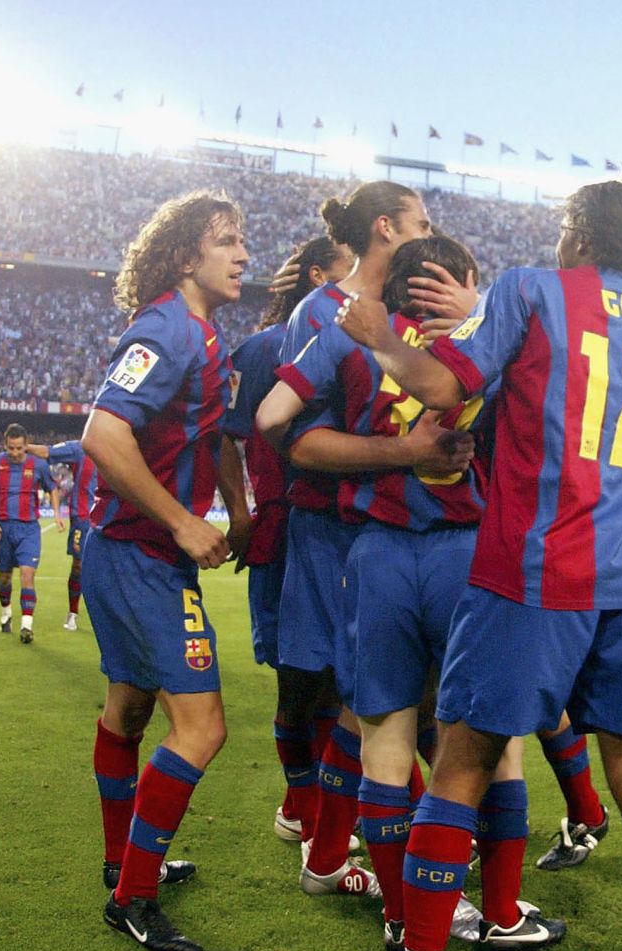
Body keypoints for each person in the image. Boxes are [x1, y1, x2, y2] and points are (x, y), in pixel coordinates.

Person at [338, 179, 622, 951]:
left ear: (580, 232)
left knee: (462, 761)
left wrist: (378, 334)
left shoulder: (531, 288)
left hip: (532, 570)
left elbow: (439, 386)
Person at [79, 189, 253, 951]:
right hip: (142, 556)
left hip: (130, 553)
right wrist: (185, 521)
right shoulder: (165, 330)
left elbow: (208, 435)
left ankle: (124, 862)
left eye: (241, 240)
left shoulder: (203, 336)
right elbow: (103, 434)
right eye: (224, 241)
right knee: (203, 728)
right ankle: (134, 897)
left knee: (128, 711)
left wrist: (236, 508)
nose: (241, 253)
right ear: (187, 256)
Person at [273, 181, 456, 900]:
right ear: (386, 227)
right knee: (370, 705)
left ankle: (330, 851)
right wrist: (405, 455)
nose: (431, 233)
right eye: (422, 222)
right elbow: (297, 443)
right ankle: (362, 859)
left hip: (395, 535)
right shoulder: (323, 314)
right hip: (338, 536)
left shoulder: (417, 313)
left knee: (377, 705)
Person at [221, 236, 356, 853]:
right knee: (298, 677)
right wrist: (241, 512)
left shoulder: (359, 341)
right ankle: (302, 808)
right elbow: (227, 438)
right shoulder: (262, 349)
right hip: (284, 525)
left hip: (340, 526)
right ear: (318, 276)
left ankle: (319, 810)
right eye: (346, 271)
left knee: (336, 680)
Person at [0, 424, 62, 643]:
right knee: (4, 577)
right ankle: (6, 613)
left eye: (19, 448)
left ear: (25, 446)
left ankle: (27, 626)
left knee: (27, 574)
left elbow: (52, 488)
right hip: (2, 529)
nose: (15, 453)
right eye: (11, 448)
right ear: (5, 445)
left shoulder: (39, 465)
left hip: (29, 530)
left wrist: (57, 513)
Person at [30, 439, 99, 630]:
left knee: (107, 568)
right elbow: (47, 452)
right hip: (83, 517)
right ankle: (73, 613)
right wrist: (24, 447)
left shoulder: (119, 447)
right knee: (78, 565)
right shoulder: (80, 448)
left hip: (109, 517)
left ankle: (105, 616)